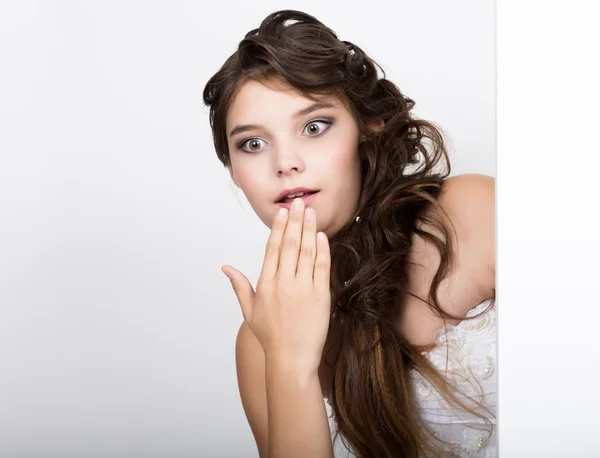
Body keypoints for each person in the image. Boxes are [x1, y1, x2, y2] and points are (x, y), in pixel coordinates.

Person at [203, 9, 496, 458]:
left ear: (368, 129)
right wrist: (290, 364)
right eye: (253, 144)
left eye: (314, 127)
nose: (285, 163)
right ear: (234, 172)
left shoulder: (468, 215)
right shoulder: (257, 341)